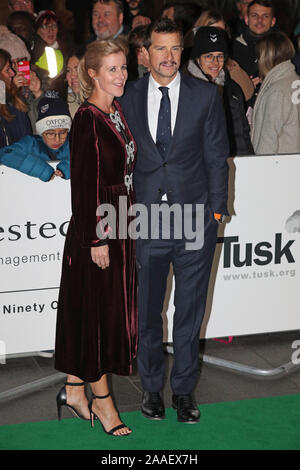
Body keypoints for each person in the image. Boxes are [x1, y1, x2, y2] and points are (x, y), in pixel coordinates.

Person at [120, 18, 229, 423]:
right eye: (160, 48)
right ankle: (151, 388)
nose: (168, 57)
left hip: (194, 218)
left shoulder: (206, 96)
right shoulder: (128, 95)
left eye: (175, 49)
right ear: (146, 53)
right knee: (148, 311)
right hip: (146, 219)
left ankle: (183, 391)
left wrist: (216, 211)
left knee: (188, 311)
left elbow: (217, 156)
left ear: (183, 52)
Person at [54, 37, 137, 437]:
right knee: (101, 317)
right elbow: (84, 187)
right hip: (100, 229)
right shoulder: (87, 118)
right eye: (112, 69)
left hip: (119, 222)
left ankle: (74, 388)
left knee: (91, 312)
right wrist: (96, 240)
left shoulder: (115, 110)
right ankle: (104, 403)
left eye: (123, 67)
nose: (121, 75)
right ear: (92, 74)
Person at [185, 26, 253, 156]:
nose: (215, 62)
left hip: (238, 161)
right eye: (208, 56)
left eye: (220, 56)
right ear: (197, 58)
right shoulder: (185, 89)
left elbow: (242, 133)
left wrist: (249, 159)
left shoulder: (232, 88)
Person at [251, 31, 300, 155]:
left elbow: (267, 141)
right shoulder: (295, 81)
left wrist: (261, 170)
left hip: (280, 168)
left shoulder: (277, 91)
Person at [0, 94, 70, 180]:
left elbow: (88, 156)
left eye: (63, 132)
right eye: (50, 133)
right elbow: (4, 154)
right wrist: (41, 170)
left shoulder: (73, 144)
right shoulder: (31, 143)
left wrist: (67, 167)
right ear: (41, 131)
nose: (57, 139)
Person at [194, 9, 255, 106]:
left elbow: (247, 92)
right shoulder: (190, 67)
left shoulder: (228, 61)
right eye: (213, 31)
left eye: (222, 32)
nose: (218, 36)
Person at [231, 0, 277, 104]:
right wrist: (245, 86)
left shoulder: (282, 50)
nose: (259, 20)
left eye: (265, 16)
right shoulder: (232, 49)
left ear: (273, 21)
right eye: (254, 15)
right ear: (246, 19)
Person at [0, 48, 32, 147]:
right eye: (7, 69)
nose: (13, 73)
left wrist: (38, 93)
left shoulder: (15, 98)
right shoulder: (8, 97)